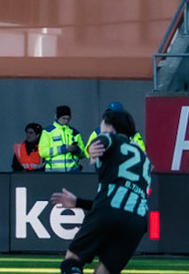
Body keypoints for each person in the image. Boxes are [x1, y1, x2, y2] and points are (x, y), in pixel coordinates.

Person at [50, 105, 152, 274]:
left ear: (110, 127)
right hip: (138, 221)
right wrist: (78, 202)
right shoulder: (144, 158)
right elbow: (125, 202)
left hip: (108, 212)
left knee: (72, 260)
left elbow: (105, 139)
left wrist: (93, 147)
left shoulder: (110, 137)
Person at [43, 104, 91, 172]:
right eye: (63, 118)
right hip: (53, 172)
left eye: (68, 119)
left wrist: (76, 150)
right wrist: (63, 149)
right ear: (57, 117)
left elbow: (83, 154)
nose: (66, 121)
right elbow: (43, 152)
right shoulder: (48, 132)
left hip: (73, 171)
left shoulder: (74, 132)